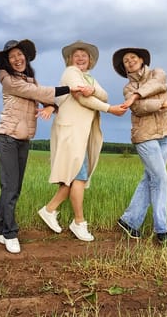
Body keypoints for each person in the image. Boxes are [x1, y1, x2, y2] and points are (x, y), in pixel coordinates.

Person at [0, 39, 88, 254]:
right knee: (10, 187)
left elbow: (44, 99)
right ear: (7, 61)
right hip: (7, 137)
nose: (17, 59)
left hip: (23, 140)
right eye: (12, 56)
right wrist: (68, 89)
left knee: (13, 186)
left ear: (26, 56)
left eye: (19, 54)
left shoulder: (30, 81)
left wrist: (51, 107)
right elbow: (38, 93)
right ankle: (10, 233)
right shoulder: (7, 79)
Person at [37, 40, 127, 241]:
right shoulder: (70, 73)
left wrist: (92, 90)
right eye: (76, 55)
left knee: (74, 176)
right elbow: (81, 99)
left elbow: (104, 94)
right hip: (71, 132)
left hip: (80, 133)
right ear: (70, 59)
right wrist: (110, 109)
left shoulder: (89, 78)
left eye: (84, 56)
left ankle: (50, 210)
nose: (80, 58)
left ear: (90, 61)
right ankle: (78, 222)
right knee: (79, 175)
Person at [112, 47, 167, 243]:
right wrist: (163, 104)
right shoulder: (127, 89)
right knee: (161, 179)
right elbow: (139, 109)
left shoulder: (158, 73)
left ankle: (129, 220)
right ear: (124, 68)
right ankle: (161, 228)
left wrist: (136, 96)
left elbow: (156, 84)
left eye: (132, 57)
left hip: (165, 133)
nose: (129, 61)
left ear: (141, 59)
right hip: (145, 136)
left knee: (150, 179)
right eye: (125, 61)